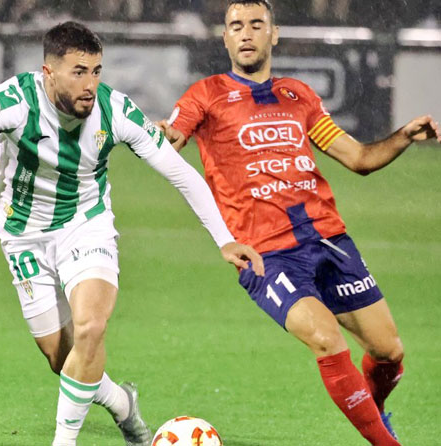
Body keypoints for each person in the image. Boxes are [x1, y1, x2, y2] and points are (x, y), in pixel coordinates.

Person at [0, 20, 263, 446]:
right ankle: (122, 403)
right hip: (23, 234)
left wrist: (224, 238)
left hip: (84, 225)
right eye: (78, 72)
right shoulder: (14, 101)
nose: (90, 84)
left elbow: (182, 174)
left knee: (91, 327)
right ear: (48, 73)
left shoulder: (116, 111)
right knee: (62, 356)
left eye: (96, 71)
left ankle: (63, 442)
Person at [158, 1, 441, 445]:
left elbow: (360, 158)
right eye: (236, 26)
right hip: (265, 253)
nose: (246, 33)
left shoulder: (299, 96)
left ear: (275, 34)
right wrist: (157, 136)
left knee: (390, 354)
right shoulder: (205, 95)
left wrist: (403, 136)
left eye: (256, 24)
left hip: (328, 239)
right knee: (327, 340)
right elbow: (172, 137)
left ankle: (375, 409)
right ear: (226, 37)